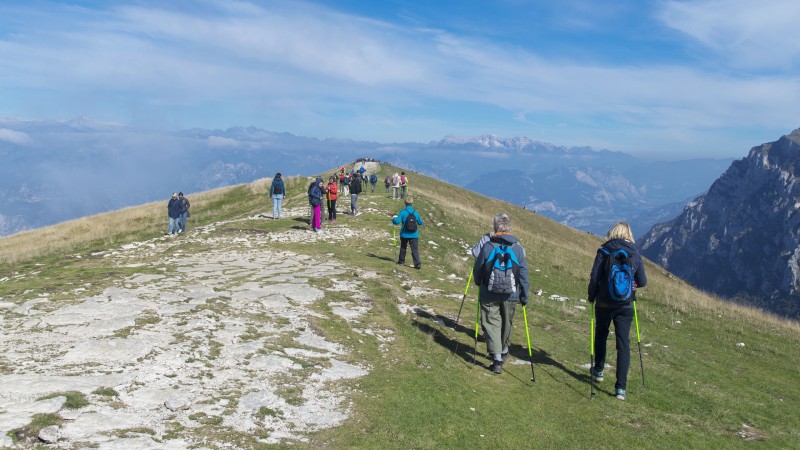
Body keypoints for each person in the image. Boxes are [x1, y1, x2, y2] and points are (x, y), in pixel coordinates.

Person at [587, 221, 648, 400]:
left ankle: (598, 370)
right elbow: (642, 281)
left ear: (612, 232)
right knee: (623, 344)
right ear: (629, 234)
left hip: (604, 303)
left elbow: (594, 277)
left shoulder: (604, 251)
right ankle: (620, 388)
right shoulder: (635, 253)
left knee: (601, 336)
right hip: (626, 305)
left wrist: (591, 296)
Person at [472, 213, 529, 374]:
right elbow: (523, 274)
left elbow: (479, 269)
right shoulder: (518, 248)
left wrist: (479, 283)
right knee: (506, 323)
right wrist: (524, 296)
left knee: (491, 323)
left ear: (495, 228)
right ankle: (503, 350)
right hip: (511, 294)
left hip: (489, 293)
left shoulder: (488, 247)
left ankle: (497, 358)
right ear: (510, 229)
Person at [391, 197, 424, 269]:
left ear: (405, 203)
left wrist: (393, 219)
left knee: (403, 247)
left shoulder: (402, 212)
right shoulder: (415, 212)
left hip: (404, 234)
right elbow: (420, 223)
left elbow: (396, 222)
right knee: (414, 249)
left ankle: (401, 262)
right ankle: (417, 264)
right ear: (412, 203)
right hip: (414, 234)